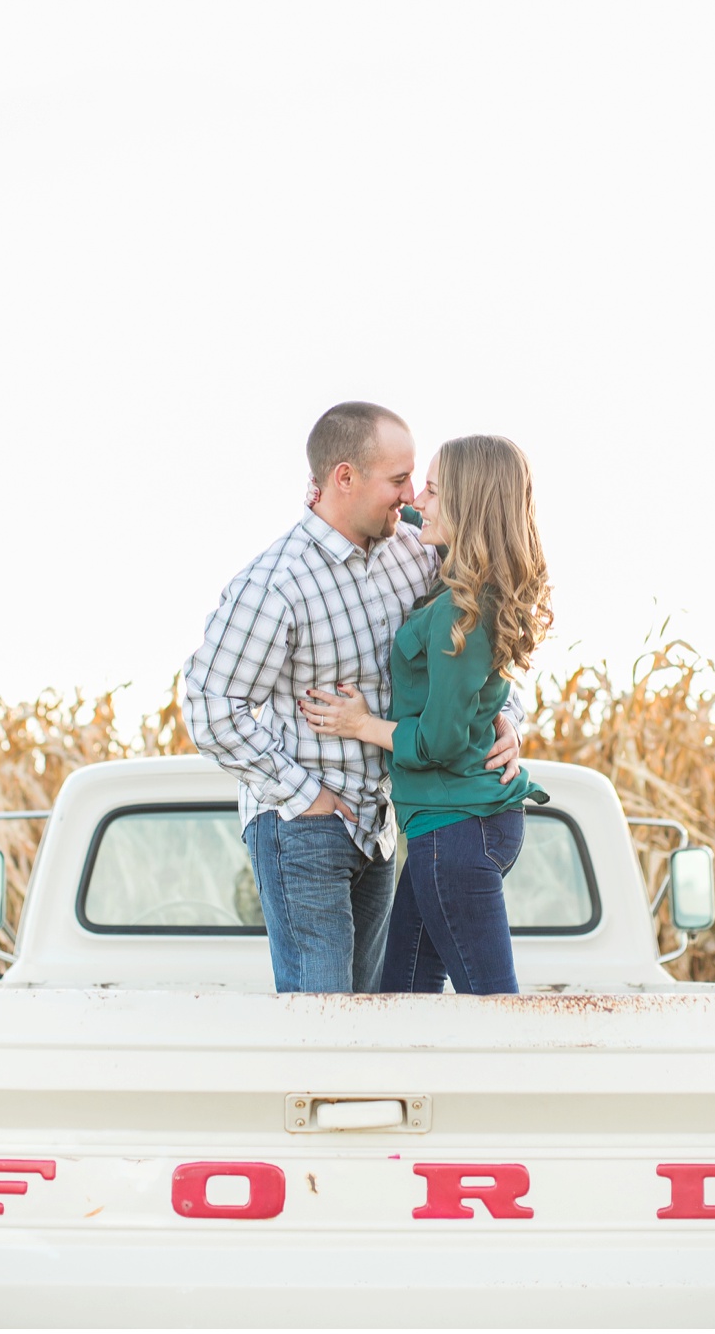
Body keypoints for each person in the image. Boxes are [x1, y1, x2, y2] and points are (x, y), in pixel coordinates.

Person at [183, 402, 522, 994]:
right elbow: (211, 708)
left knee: (368, 1014)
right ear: (345, 477)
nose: (412, 494)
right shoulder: (274, 584)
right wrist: (304, 794)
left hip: (385, 823)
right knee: (323, 1016)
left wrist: (509, 720)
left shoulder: (416, 552)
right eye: (398, 480)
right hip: (304, 825)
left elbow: (485, 639)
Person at [299, 434, 554, 996]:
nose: (418, 500)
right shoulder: (470, 585)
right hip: (450, 829)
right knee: (403, 1001)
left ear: (466, 505)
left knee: (492, 1009)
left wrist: (361, 724)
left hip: (455, 834)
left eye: (433, 491)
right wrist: (329, 487)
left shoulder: (459, 612)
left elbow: (440, 738)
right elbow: (408, 508)